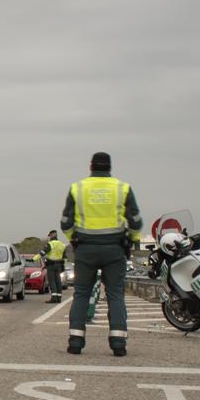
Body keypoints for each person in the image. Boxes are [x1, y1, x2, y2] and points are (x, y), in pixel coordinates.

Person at [60, 151, 143, 356]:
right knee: (115, 294)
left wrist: (74, 239)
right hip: (114, 249)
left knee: (81, 294)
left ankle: (75, 342)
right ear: (109, 167)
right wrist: (130, 240)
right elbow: (136, 222)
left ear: (91, 166)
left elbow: (65, 223)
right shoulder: (122, 188)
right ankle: (118, 344)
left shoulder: (77, 188)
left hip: (85, 249)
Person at [40, 229, 68, 303]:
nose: (49, 237)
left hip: (51, 265)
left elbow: (43, 253)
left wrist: (34, 259)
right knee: (58, 281)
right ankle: (59, 297)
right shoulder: (62, 244)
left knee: (52, 281)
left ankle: (54, 298)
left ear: (52, 235)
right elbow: (65, 257)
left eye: (50, 235)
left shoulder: (50, 244)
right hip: (59, 265)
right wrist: (63, 266)